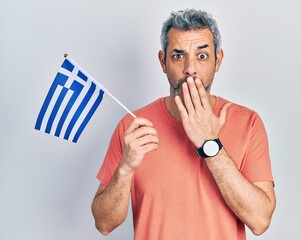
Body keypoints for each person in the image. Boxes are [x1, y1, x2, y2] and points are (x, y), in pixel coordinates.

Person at [92, 8, 276, 240]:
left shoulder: (248, 122)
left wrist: (210, 144)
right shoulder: (134, 126)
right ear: (163, 61)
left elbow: (260, 221)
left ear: (217, 60)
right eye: (178, 56)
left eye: (202, 56)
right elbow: (104, 224)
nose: (190, 68)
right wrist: (125, 169)